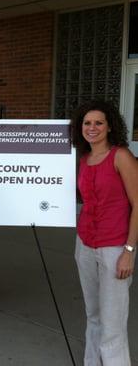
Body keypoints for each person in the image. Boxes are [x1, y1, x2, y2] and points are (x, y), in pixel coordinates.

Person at [71, 100, 138, 366]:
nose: (92, 127)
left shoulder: (121, 156)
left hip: (115, 247)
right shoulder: (85, 159)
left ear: (110, 126)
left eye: (99, 122)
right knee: (94, 315)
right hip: (85, 244)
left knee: (113, 323)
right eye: (87, 123)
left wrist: (129, 252)